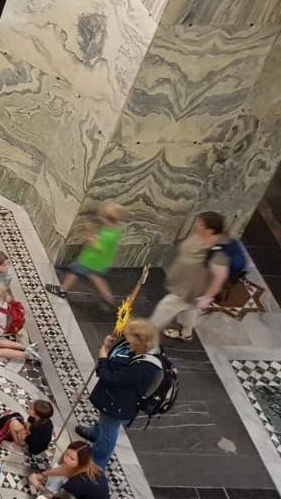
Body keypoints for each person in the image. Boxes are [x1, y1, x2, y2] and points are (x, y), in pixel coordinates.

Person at [77, 318, 162, 469]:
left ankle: (96, 464)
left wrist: (103, 358)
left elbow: (112, 378)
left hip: (118, 404)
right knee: (104, 422)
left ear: (139, 341)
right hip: (112, 397)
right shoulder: (140, 347)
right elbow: (119, 360)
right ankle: (96, 432)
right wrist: (110, 347)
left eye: (128, 338)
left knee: (109, 430)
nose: (125, 339)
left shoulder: (142, 367)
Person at [151, 211, 233, 341]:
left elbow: (220, 276)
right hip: (184, 285)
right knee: (190, 309)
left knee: (165, 307)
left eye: (200, 224)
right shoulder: (200, 236)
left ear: (210, 230)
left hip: (190, 290)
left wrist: (207, 297)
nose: (196, 226)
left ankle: (146, 334)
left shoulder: (218, 252)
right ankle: (186, 333)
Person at [49, 204, 124, 302]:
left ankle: (62, 289)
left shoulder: (107, 235)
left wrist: (90, 236)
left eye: (102, 216)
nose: (100, 218)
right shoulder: (116, 231)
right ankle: (109, 298)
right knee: (97, 278)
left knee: (74, 271)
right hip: (102, 262)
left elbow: (98, 247)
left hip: (90, 260)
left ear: (107, 219)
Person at [29, 441, 107, 499]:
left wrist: (37, 484)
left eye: (72, 459)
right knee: (58, 469)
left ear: (81, 462)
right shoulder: (90, 466)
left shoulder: (75, 484)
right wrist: (42, 475)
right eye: (66, 454)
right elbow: (64, 469)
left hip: (75, 492)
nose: (66, 460)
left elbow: (55, 498)